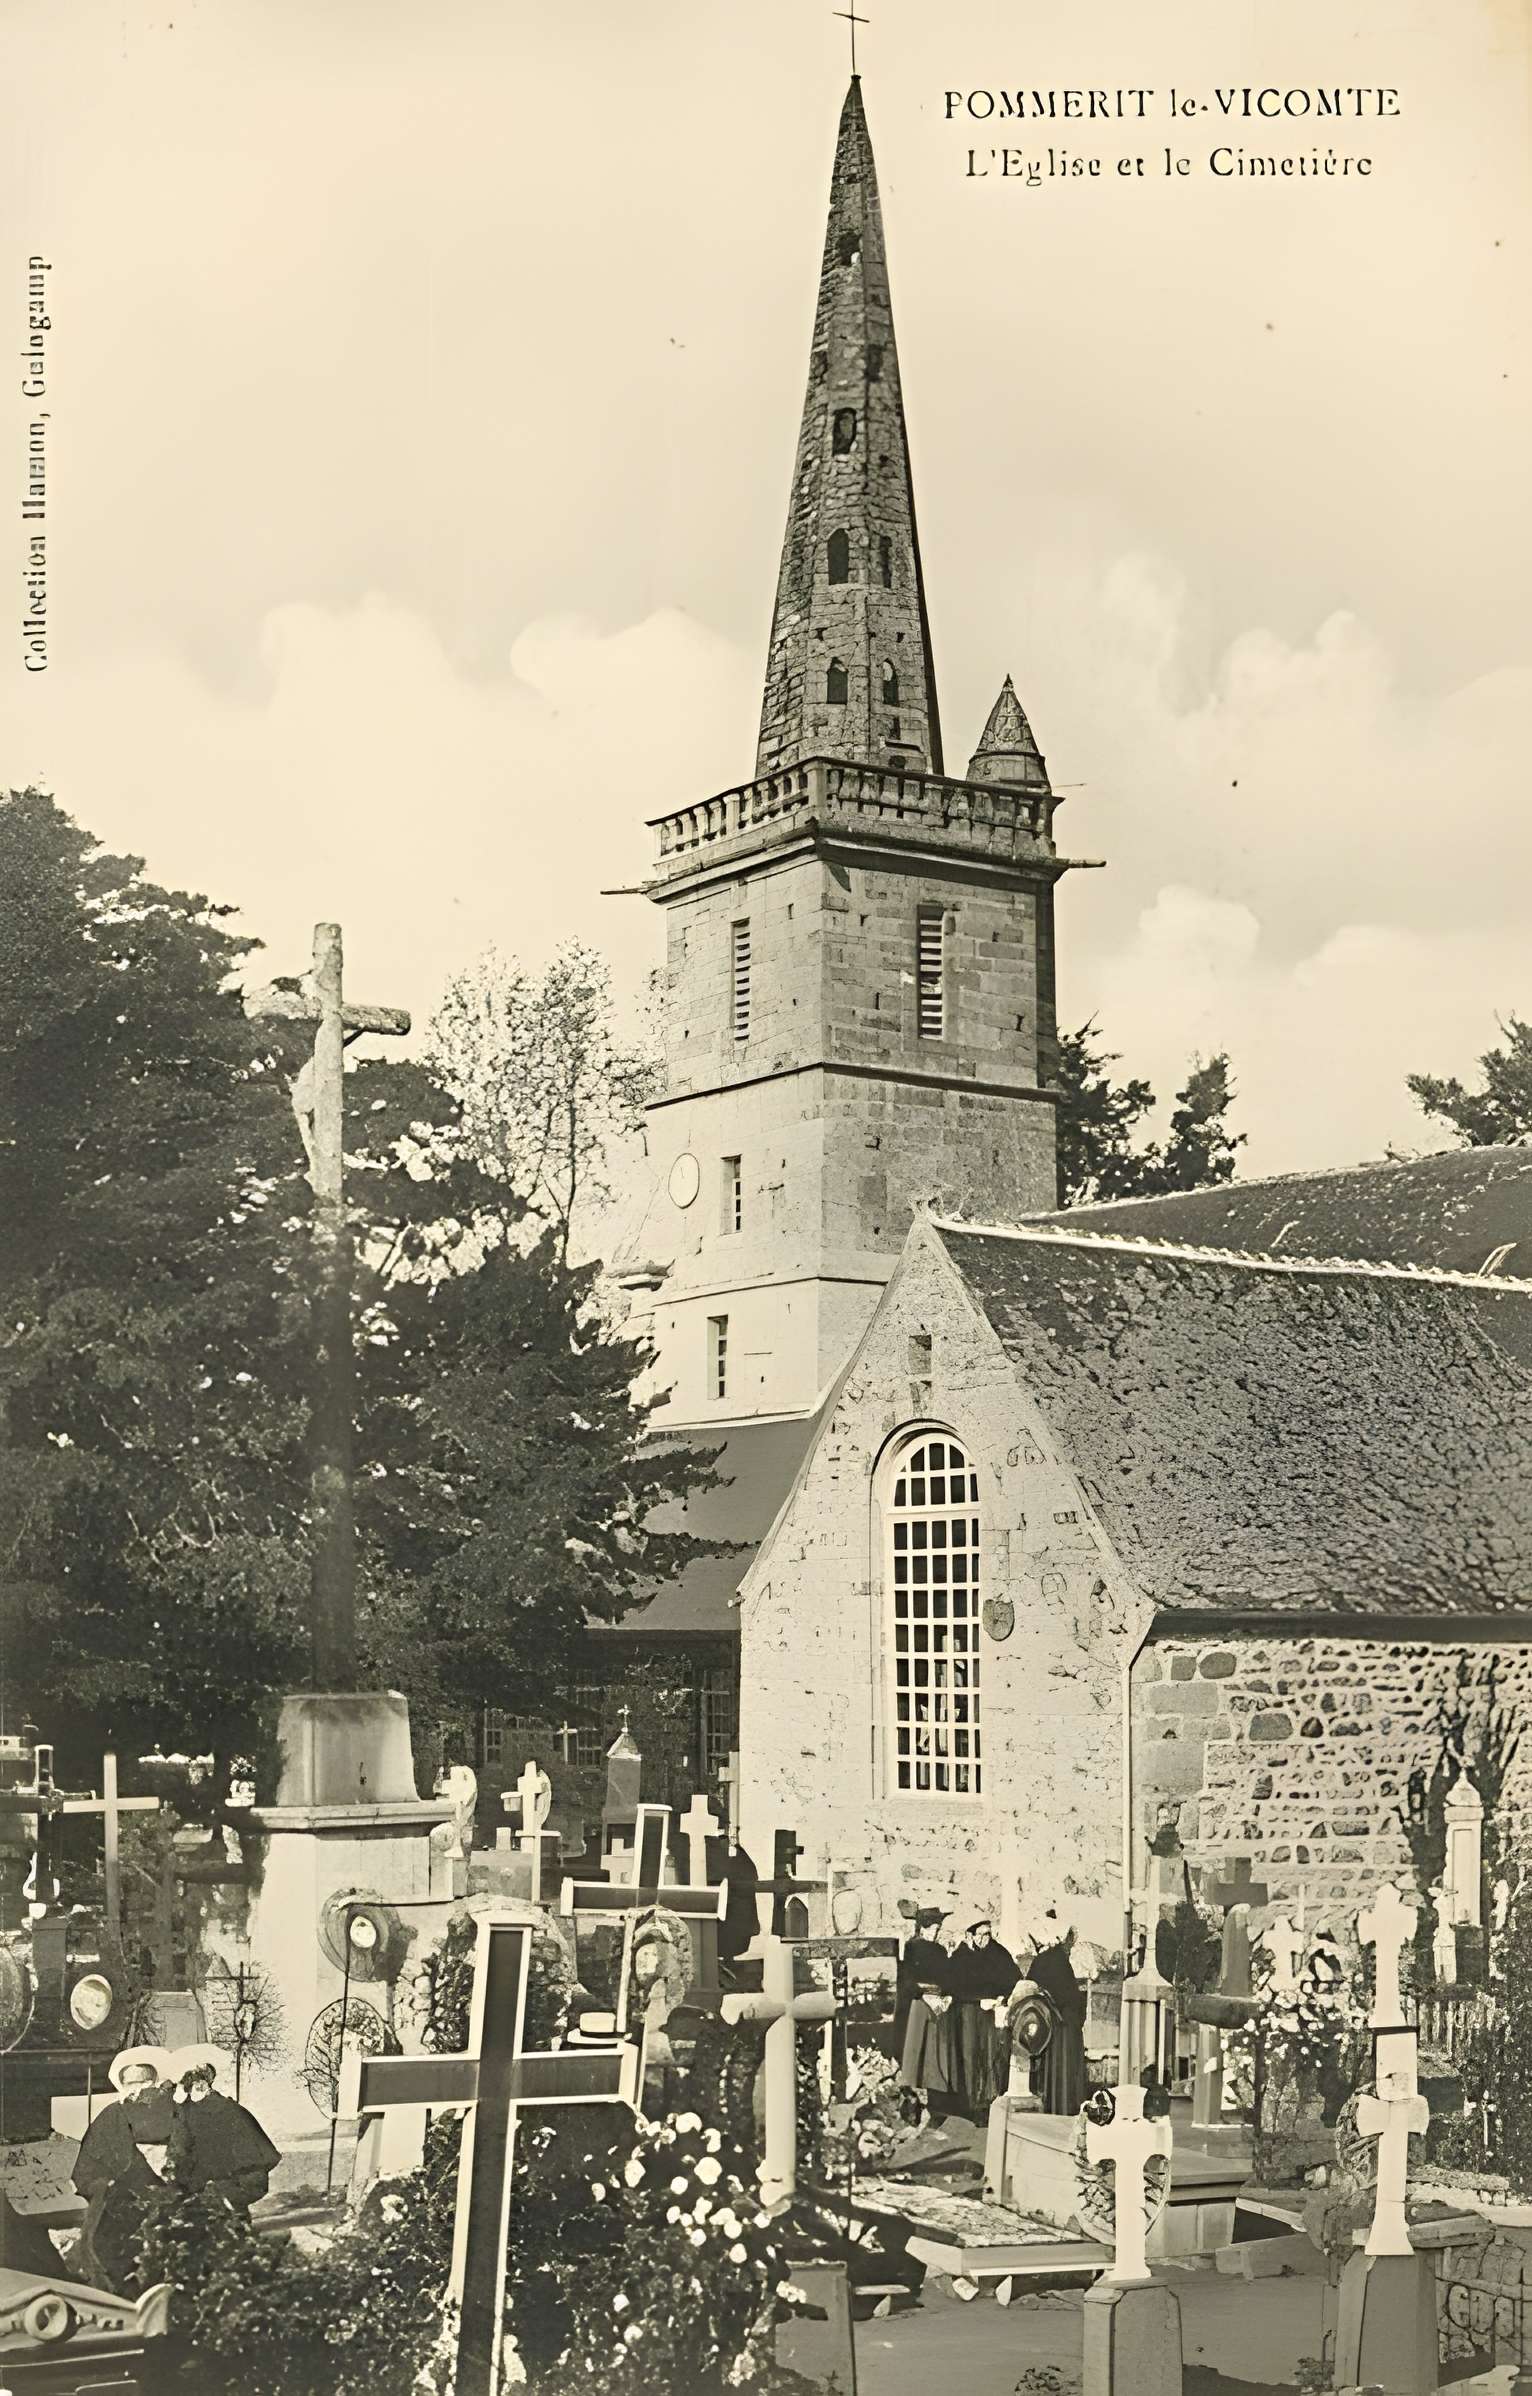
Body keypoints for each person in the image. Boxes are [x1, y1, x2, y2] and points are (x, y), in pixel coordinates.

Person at [70, 2045, 177, 2293]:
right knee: (101, 2247)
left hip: (162, 2200)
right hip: (117, 2201)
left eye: (142, 2081)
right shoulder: (112, 2115)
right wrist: (99, 2184)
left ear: (153, 2082)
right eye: (129, 2083)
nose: (136, 2088)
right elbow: (88, 2161)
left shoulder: (172, 2111)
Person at [164, 2047, 279, 2212]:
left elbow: (255, 2172)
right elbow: (180, 2150)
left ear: (201, 2085)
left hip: (225, 2196)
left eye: (186, 2086)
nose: (181, 2092)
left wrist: (223, 2193)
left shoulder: (229, 2111)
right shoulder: (187, 2112)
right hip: (202, 2197)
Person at [945, 1920, 1021, 2118]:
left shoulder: (998, 1952)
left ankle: (990, 2104)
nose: (983, 1939)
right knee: (970, 2056)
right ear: (970, 1936)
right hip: (968, 2013)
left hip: (992, 2014)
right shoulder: (960, 1957)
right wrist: (978, 2000)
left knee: (991, 2057)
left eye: (987, 1934)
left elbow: (1014, 1978)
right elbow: (953, 1987)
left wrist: (1002, 1997)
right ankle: (970, 2105)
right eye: (979, 1934)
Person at [896, 1909, 961, 2116]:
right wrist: (924, 1996)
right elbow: (907, 1977)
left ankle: (937, 2095)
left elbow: (948, 1976)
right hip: (920, 2002)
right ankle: (912, 2095)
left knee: (936, 2050)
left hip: (939, 2003)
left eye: (937, 1930)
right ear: (922, 1928)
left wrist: (948, 1996)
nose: (935, 1933)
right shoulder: (912, 1947)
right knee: (917, 2047)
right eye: (932, 1929)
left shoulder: (940, 1951)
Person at [1025, 1912, 1088, 2116]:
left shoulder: (1043, 1960)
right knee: (1067, 2067)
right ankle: (1068, 2105)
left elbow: (1031, 1987)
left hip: (1054, 2022)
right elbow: (1073, 1995)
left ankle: (1054, 2104)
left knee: (1055, 2067)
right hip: (1067, 2022)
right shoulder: (1060, 1959)